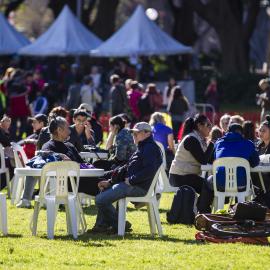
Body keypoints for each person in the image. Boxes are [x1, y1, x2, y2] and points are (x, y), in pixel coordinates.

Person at [91, 122, 162, 233]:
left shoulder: (150, 148)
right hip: (133, 184)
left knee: (100, 200)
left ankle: (120, 224)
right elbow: (125, 168)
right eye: (133, 133)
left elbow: (149, 170)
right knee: (103, 191)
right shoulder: (142, 147)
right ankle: (101, 226)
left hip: (138, 187)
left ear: (147, 133)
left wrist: (132, 180)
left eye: (136, 133)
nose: (134, 136)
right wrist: (109, 181)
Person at [17, 116, 101, 208]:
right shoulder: (48, 147)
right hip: (68, 185)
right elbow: (46, 161)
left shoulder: (70, 145)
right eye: (67, 128)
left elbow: (82, 163)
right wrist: (60, 156)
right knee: (105, 185)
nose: (70, 130)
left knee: (104, 175)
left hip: (80, 180)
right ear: (59, 130)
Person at [199, 123, 260, 213]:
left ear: (227, 132)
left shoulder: (219, 143)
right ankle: (239, 210)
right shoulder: (248, 143)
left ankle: (203, 212)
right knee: (243, 177)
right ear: (242, 133)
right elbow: (255, 163)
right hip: (241, 185)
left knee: (207, 181)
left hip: (220, 184)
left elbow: (211, 161)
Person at [169, 114, 214, 212]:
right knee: (209, 186)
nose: (211, 127)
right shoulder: (191, 139)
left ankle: (201, 211)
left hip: (185, 175)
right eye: (208, 125)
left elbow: (208, 159)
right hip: (180, 176)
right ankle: (203, 212)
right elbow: (203, 160)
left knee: (209, 185)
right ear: (199, 126)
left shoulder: (199, 139)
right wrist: (212, 144)